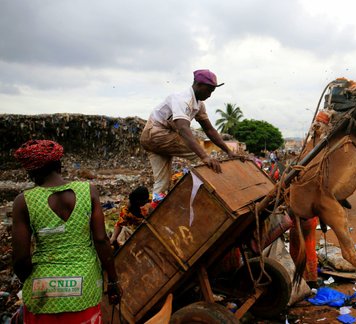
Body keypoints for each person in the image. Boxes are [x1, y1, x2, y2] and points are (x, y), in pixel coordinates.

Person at [11, 140, 121, 323]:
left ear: (31, 172)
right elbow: (101, 240)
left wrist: (36, 282)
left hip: (42, 290)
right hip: (85, 285)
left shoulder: (23, 202)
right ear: (59, 164)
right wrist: (113, 281)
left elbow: (21, 260)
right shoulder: (89, 191)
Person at [140, 69, 240, 197]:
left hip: (157, 139)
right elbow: (183, 129)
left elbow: (209, 130)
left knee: (162, 183)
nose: (210, 94)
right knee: (204, 156)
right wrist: (204, 156)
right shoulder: (182, 99)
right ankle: (220, 193)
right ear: (198, 84)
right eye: (208, 90)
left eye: (212, 91)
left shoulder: (199, 105)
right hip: (155, 134)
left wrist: (229, 151)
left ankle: (156, 209)